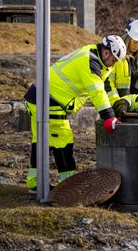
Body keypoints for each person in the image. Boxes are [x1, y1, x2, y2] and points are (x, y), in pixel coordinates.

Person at [23, 35, 126, 191]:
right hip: (49, 100)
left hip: (40, 96)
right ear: (106, 53)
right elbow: (97, 92)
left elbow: (105, 86)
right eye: (114, 60)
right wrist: (109, 117)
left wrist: (117, 105)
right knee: (63, 141)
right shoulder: (90, 63)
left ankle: (35, 181)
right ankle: (68, 186)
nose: (114, 65)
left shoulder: (95, 57)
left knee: (42, 140)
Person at [105, 19, 138, 104]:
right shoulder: (117, 57)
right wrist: (117, 103)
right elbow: (108, 83)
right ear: (128, 39)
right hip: (123, 106)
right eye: (135, 42)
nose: (137, 46)